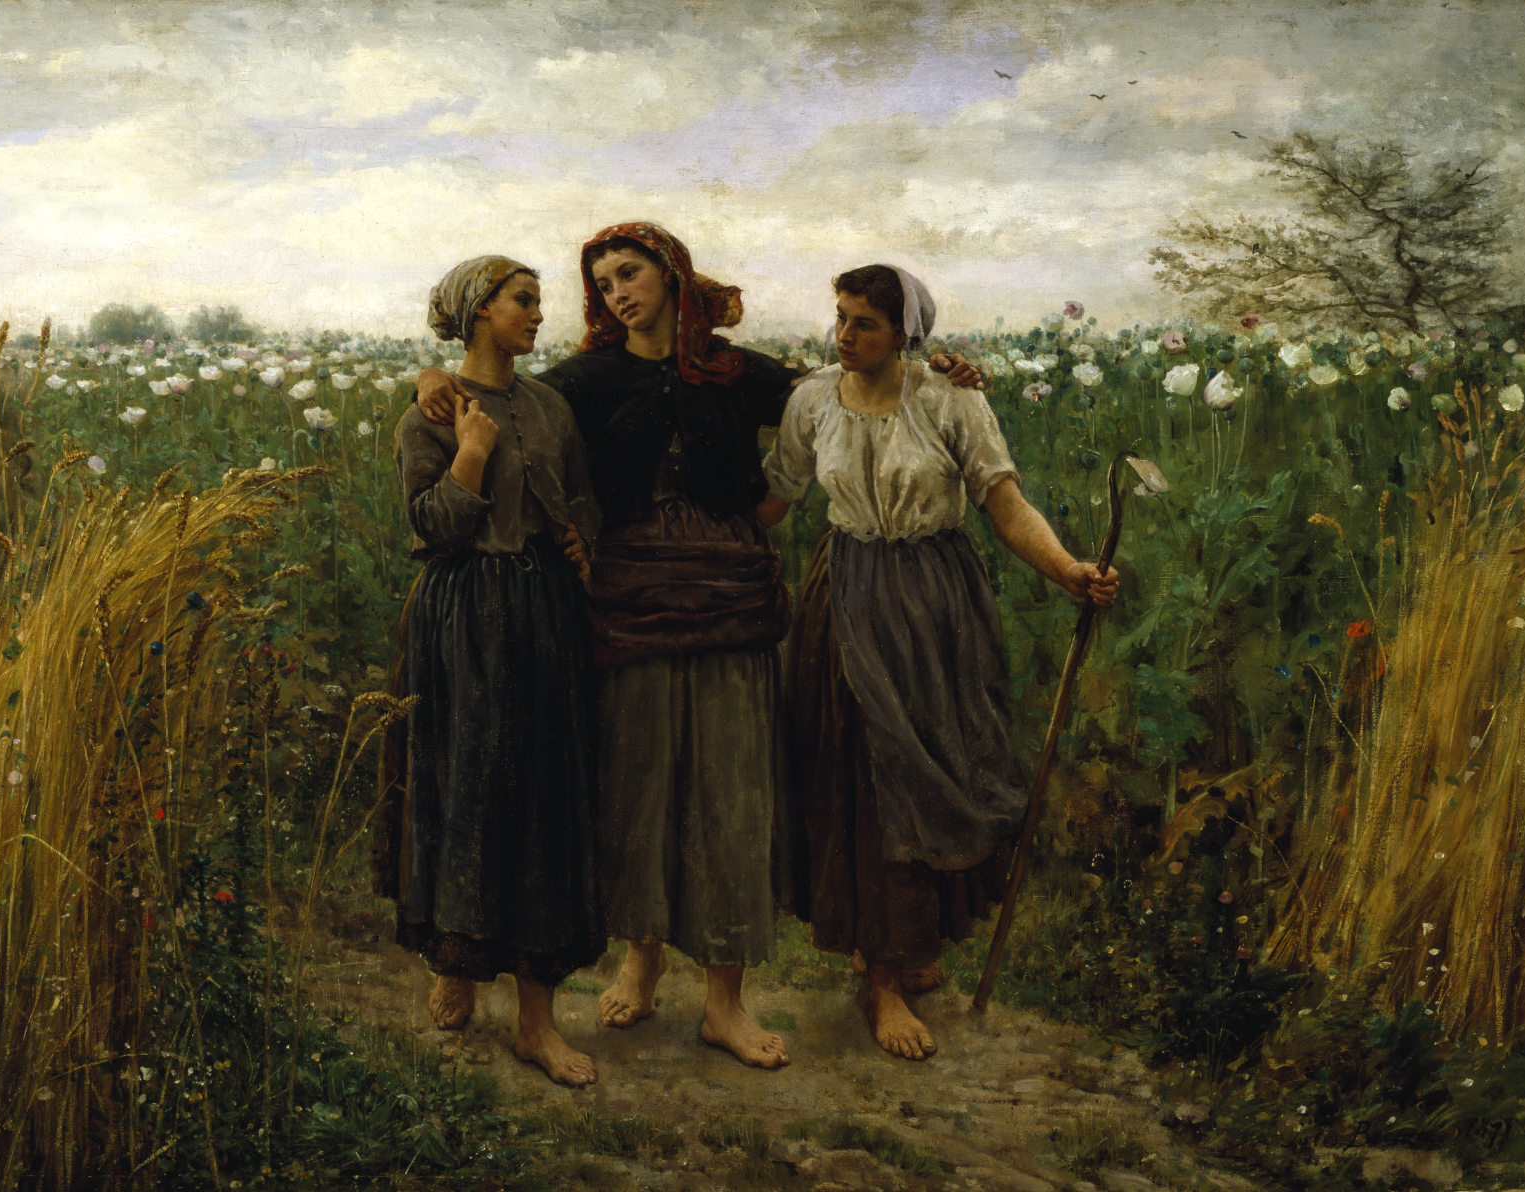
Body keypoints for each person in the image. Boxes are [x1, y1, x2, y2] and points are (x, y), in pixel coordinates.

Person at [414, 224, 986, 1069]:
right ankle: (642, 961)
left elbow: (852, 383)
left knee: (731, 793)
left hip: (730, 607)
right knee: (639, 791)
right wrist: (431, 374)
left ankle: (725, 1004)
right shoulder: (584, 380)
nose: (617, 293)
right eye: (603, 282)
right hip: (633, 606)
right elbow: (496, 397)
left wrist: (951, 370)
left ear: (674, 276)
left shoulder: (741, 372)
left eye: (631, 274)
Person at [757, 265, 1118, 1061]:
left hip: (934, 604)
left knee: (933, 775)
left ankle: (908, 948)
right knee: (865, 777)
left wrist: (1067, 570)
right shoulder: (814, 400)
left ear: (906, 335)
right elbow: (776, 497)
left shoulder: (953, 399)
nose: (844, 335)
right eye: (840, 318)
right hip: (844, 596)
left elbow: (1005, 502)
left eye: (864, 324)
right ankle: (880, 977)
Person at [383, 254, 603, 1086]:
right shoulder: (430, 417)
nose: (537, 316)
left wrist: (581, 535)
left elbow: (583, 501)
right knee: (467, 790)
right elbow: (432, 529)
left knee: (542, 802)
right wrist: (470, 454)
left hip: (542, 619)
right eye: (524, 302)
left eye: (539, 303)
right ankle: (456, 964)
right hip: (462, 622)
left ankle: (538, 1024)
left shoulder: (550, 407)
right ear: (479, 311)